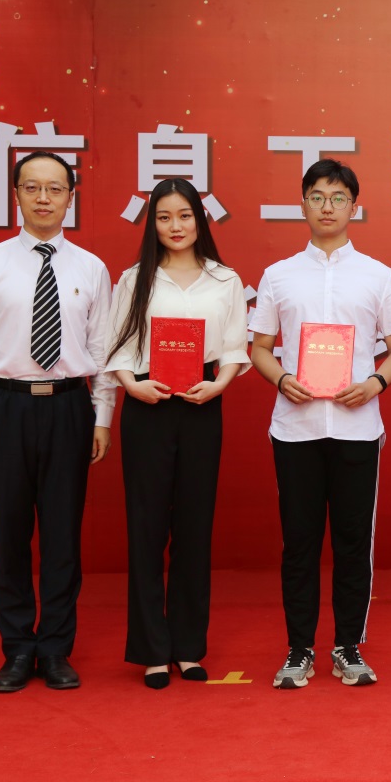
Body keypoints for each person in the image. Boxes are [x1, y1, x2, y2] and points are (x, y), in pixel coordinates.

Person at [0, 151, 114, 692]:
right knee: (10, 534)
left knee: (63, 536)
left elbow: (102, 350)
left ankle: (56, 649)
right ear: (16, 194)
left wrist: (102, 417)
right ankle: (18, 649)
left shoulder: (91, 268)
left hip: (69, 407)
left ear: (71, 197)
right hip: (4, 407)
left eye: (55, 188)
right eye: (32, 187)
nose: (44, 198)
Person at [249, 159, 391, 689]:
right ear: (303, 204)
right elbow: (260, 347)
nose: (327, 207)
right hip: (295, 427)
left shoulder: (378, 275)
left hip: (356, 428)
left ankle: (347, 646)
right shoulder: (278, 275)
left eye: (338, 198)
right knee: (299, 543)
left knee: (351, 542)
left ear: (353, 207)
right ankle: (299, 649)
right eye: (317, 196)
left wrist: (375, 384)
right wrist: (281, 378)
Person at [105, 178, 250, 689]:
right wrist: (132, 386)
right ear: (153, 223)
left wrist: (220, 385)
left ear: (200, 220)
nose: (175, 226)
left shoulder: (225, 279)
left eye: (184, 215)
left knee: (194, 527)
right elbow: (118, 347)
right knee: (146, 528)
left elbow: (234, 346)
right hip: (147, 404)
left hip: (201, 403)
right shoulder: (134, 279)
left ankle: (188, 647)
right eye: (164, 217)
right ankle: (151, 649)